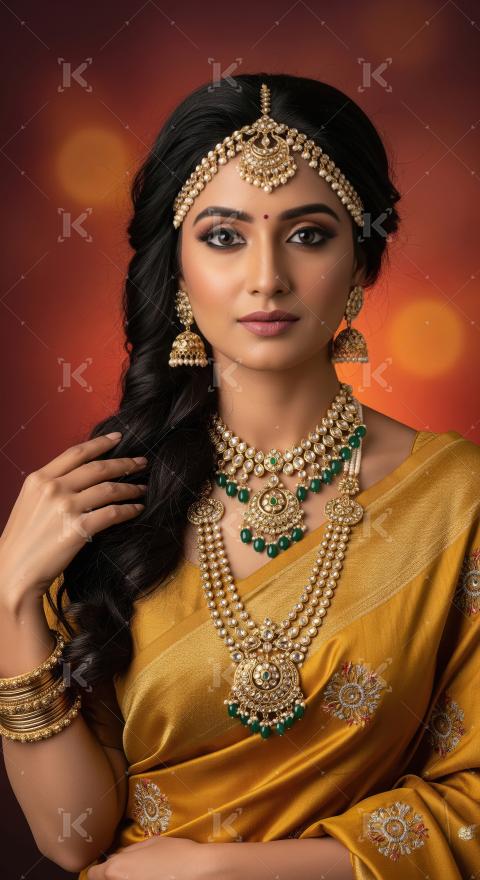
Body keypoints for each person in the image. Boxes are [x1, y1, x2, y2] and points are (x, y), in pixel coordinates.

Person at [0, 72, 478, 880]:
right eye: (224, 236)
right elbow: (72, 838)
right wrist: (11, 597)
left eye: (308, 234)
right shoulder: (107, 498)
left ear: (363, 261)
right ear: (178, 265)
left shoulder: (455, 498)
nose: (267, 277)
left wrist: (222, 873)